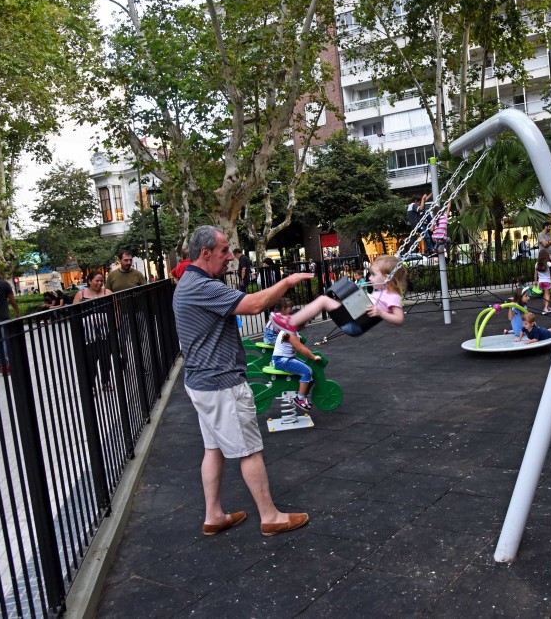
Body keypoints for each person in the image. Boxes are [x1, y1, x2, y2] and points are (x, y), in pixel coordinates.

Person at [172, 225, 314, 538]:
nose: (230, 258)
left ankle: (214, 515)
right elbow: (253, 305)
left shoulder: (189, 282)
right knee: (249, 450)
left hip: (200, 382)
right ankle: (270, 516)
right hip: (221, 384)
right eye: (224, 251)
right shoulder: (201, 285)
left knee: (213, 449)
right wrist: (287, 281)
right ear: (206, 253)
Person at [271, 255, 407, 337]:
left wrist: (381, 313)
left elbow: (399, 319)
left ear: (386, 277)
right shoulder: (380, 292)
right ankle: (299, 322)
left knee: (323, 300)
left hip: (356, 324)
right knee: (326, 299)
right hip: (353, 319)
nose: (369, 278)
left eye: (373, 275)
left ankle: (292, 322)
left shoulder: (393, 297)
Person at [73, 272, 114, 388]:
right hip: (88, 334)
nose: (100, 283)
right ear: (90, 281)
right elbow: (74, 314)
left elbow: (115, 308)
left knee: (106, 358)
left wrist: (114, 323)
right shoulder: (80, 295)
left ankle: (106, 381)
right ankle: (91, 385)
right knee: (91, 361)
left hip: (105, 332)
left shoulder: (107, 293)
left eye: (101, 281)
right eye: (97, 281)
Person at [271, 320, 322, 411]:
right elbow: (301, 349)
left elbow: (299, 346)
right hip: (282, 360)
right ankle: (300, 398)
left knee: (305, 367)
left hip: (284, 359)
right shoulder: (290, 334)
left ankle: (300, 392)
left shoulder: (289, 331)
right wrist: (313, 357)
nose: (305, 324)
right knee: (307, 371)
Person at [534, 248, 551, 315]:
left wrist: (535, 281)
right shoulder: (547, 263)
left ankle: (546, 307)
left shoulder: (537, 264)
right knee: (547, 294)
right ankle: (546, 308)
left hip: (540, 282)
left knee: (544, 294)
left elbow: (535, 273)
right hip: (547, 281)